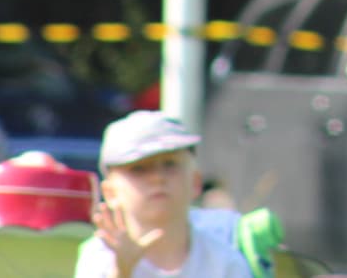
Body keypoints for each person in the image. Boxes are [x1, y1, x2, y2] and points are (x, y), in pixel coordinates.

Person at [75, 110, 252, 278]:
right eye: (139, 169)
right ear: (110, 192)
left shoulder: (224, 262)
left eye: (170, 164)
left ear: (195, 182)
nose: (158, 178)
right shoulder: (100, 256)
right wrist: (122, 271)